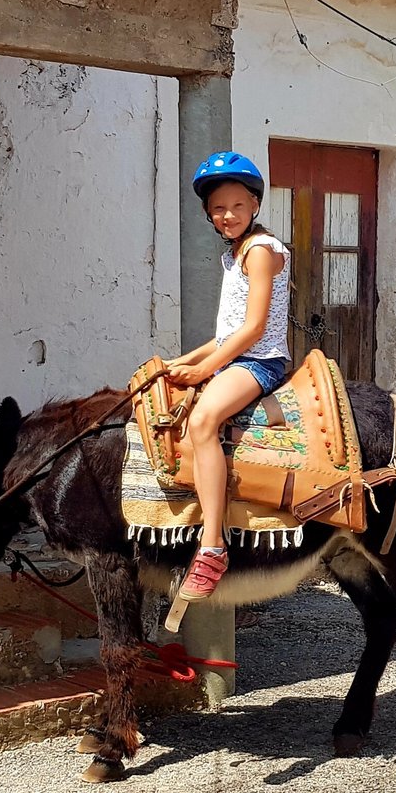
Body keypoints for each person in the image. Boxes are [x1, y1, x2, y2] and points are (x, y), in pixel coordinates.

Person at [166, 152, 291, 602]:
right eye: (219, 208)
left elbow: (254, 329)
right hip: (234, 356)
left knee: (202, 421)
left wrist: (204, 367)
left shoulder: (260, 251)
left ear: (255, 205)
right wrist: (179, 362)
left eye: (238, 205)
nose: (228, 214)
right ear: (208, 214)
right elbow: (224, 334)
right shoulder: (235, 254)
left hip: (260, 361)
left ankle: (213, 545)